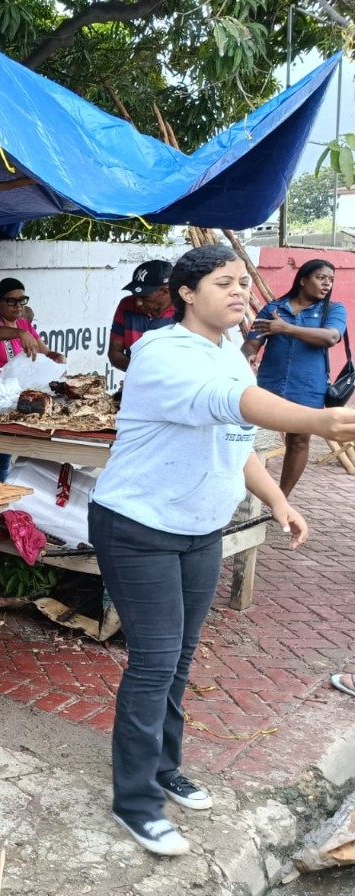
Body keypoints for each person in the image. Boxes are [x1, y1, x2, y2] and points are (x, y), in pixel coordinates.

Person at [88, 245, 355, 856]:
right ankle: (135, 801)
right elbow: (231, 404)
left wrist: (278, 501)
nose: (241, 292)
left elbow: (237, 443)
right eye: (224, 282)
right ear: (186, 293)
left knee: (180, 658)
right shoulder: (161, 354)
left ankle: (163, 766)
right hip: (138, 526)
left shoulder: (229, 352)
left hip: (200, 527)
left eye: (243, 282)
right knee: (154, 662)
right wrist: (318, 421)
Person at [241, 259, 347, 497]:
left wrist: (286, 328)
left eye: (331, 279)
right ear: (302, 280)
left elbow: (330, 337)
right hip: (268, 385)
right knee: (247, 435)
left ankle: (280, 497)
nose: (327, 284)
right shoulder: (274, 308)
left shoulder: (334, 310)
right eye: (321, 278)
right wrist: (249, 355)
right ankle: (245, 489)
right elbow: (251, 343)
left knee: (298, 441)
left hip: (308, 387)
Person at [0, 278, 64, 482]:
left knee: (4, 458)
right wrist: (19, 333)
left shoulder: (24, 324)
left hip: (13, 403)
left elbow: (45, 352)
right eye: (12, 301)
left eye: (22, 300)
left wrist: (56, 359)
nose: (18, 306)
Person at [107, 260, 176, 371]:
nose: (138, 302)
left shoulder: (185, 312)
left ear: (165, 291)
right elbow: (115, 353)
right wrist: (139, 371)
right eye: (135, 295)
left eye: (144, 297)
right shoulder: (126, 306)